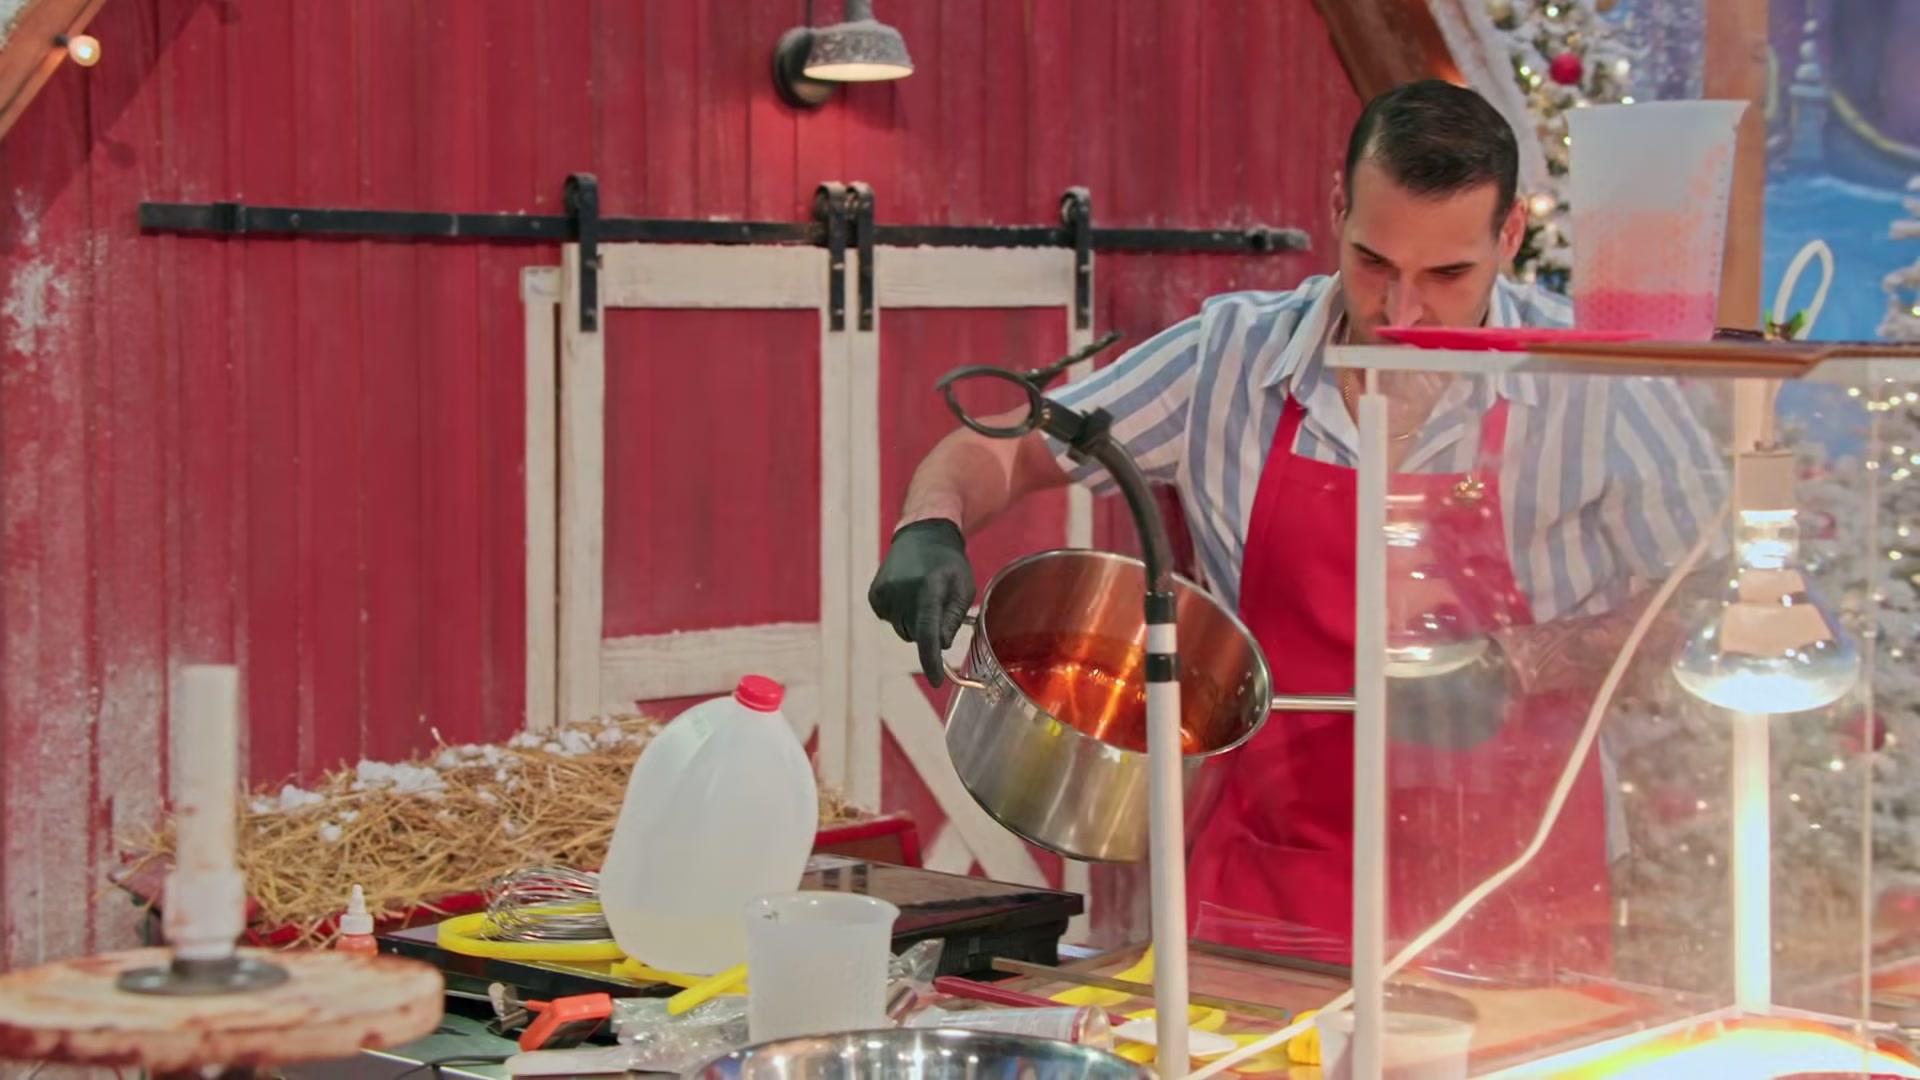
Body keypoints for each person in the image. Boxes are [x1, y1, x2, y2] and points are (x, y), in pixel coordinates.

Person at [867, 80, 1723, 976]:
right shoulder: (1230, 359)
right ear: (1337, 206)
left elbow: (1707, 606)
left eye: (1447, 276)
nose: (1401, 314)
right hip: (1271, 886)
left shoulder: (1594, 381)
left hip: (1516, 891)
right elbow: (1004, 447)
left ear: (1509, 236)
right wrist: (930, 525)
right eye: (1374, 263)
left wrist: (1524, 662)